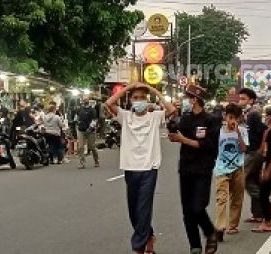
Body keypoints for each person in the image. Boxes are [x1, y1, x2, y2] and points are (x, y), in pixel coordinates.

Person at [106, 82, 175, 254]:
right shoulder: (125, 116)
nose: (139, 101)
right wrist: (127, 89)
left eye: (142, 98)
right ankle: (149, 236)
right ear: (130, 100)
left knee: (144, 208)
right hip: (130, 168)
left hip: (149, 168)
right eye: (135, 98)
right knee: (134, 210)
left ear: (147, 100)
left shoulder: (155, 117)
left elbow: (172, 110)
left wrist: (153, 90)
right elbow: (109, 104)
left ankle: (139, 247)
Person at [169, 84, 219, 254]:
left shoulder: (211, 120)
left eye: (188, 98)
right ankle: (195, 246)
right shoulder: (186, 119)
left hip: (203, 169)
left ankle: (210, 232)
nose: (186, 101)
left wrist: (184, 140)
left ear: (195, 99)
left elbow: (210, 147)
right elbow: (176, 134)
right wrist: (173, 130)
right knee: (187, 212)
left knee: (198, 207)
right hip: (186, 169)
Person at [213, 103, 247, 242]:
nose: (233, 121)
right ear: (225, 116)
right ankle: (220, 227)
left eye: (236, 118)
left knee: (237, 198)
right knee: (221, 198)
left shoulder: (243, 131)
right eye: (231, 117)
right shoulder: (218, 131)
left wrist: (238, 132)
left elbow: (244, 149)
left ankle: (232, 225)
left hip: (238, 168)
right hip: (222, 169)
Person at [238, 88, 267, 223]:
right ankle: (258, 214)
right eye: (240, 98)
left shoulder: (254, 114)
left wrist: (262, 149)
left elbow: (264, 130)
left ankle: (266, 205)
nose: (241, 101)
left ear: (251, 100)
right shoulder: (248, 113)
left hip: (254, 151)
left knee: (242, 177)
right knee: (253, 180)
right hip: (251, 150)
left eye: (243, 99)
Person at [75, 97, 99, 169]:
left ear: (88, 101)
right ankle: (81, 163)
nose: (85, 101)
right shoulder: (79, 109)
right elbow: (76, 117)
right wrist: (77, 122)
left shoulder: (92, 110)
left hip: (90, 130)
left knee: (91, 147)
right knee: (80, 147)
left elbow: (94, 120)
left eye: (86, 100)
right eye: (84, 100)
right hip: (81, 130)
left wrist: (91, 127)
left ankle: (96, 160)